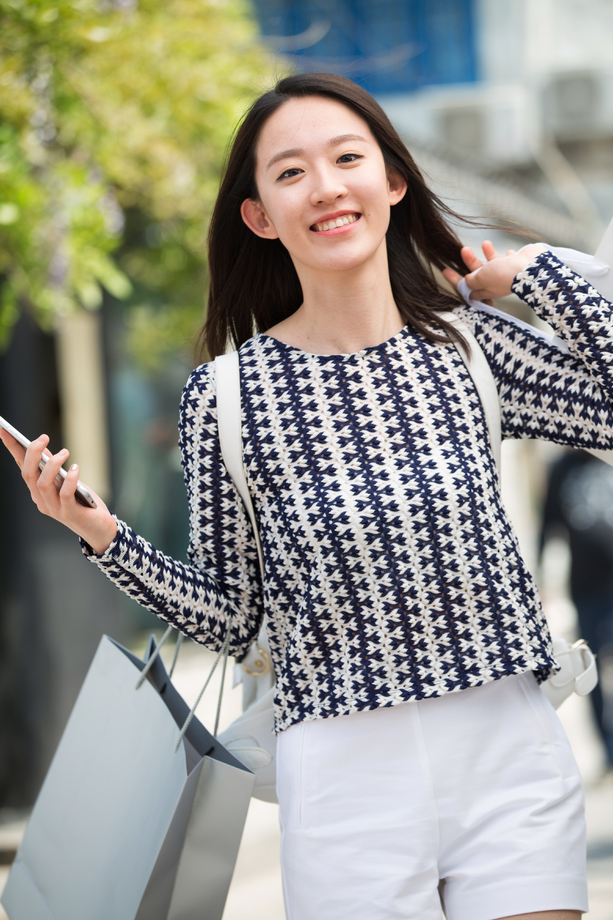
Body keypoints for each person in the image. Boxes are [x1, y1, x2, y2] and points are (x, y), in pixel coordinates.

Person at [2, 72, 612, 920]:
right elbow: (232, 618)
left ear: (392, 182)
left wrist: (540, 274)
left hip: (507, 746)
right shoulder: (224, 397)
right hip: (344, 777)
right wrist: (102, 534)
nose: (324, 186)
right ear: (258, 214)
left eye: (346, 158)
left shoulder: (469, 347)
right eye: (289, 172)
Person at [539, 449, 613, 767]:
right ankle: (609, 752)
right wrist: (537, 581)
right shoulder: (562, 468)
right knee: (590, 673)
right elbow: (548, 524)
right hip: (585, 590)